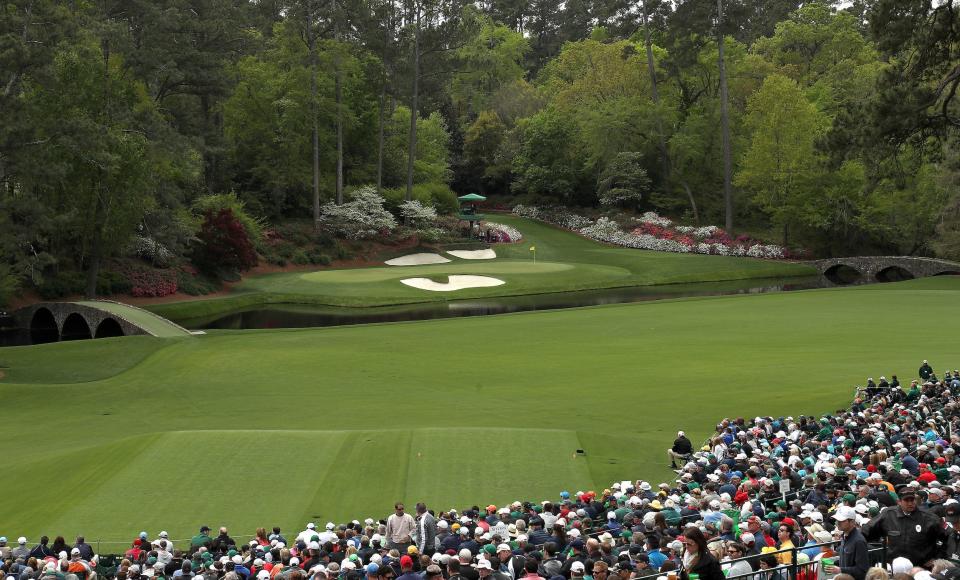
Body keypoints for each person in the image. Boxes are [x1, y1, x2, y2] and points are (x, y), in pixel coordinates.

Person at [861, 486, 945, 565]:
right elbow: (866, 532)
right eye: (906, 500)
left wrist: (937, 558)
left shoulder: (929, 518)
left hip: (920, 566)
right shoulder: (888, 514)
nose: (910, 503)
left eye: (912, 500)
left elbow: (945, 539)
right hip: (894, 566)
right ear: (899, 502)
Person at [823, 507, 868, 580]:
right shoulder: (844, 536)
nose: (837, 522)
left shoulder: (859, 541)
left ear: (852, 522)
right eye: (837, 520)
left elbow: (862, 570)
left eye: (841, 520)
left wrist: (840, 570)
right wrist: (830, 563)